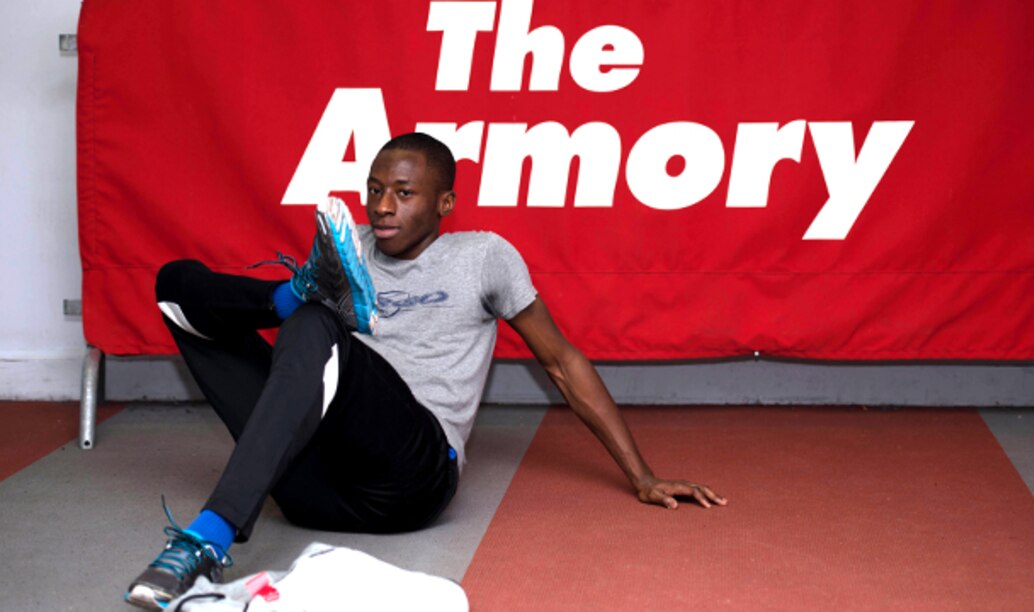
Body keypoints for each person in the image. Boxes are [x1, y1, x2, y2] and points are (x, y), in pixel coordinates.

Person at [126, 132, 726, 610]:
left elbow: (562, 362)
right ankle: (290, 296)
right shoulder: (347, 247)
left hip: (413, 478)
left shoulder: (482, 256)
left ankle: (205, 539)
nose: (384, 207)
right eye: (375, 189)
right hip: (310, 488)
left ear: (445, 203)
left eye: (405, 194)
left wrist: (643, 475)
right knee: (176, 287)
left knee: (314, 323)